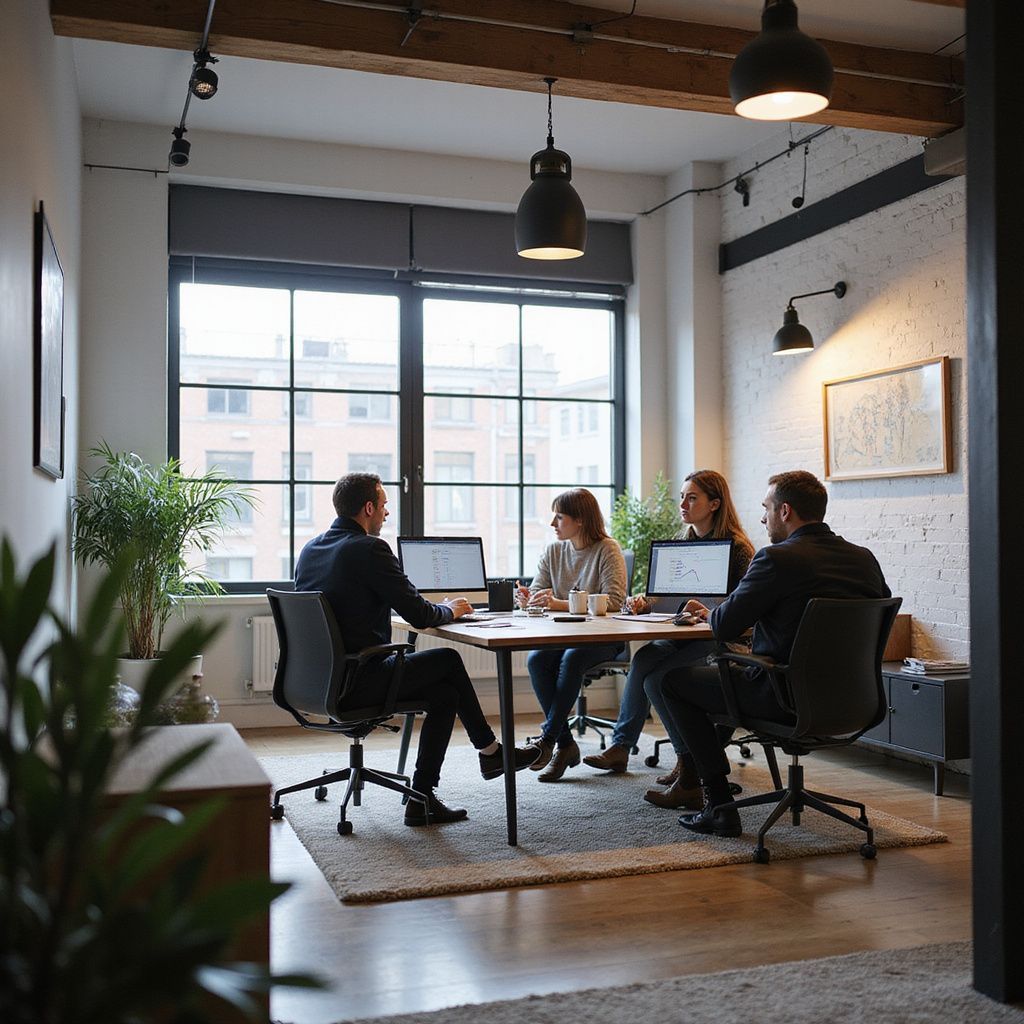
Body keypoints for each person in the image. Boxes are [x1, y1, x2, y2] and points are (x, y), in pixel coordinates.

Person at [294, 472, 538, 827]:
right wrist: (452, 609)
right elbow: (420, 614)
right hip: (358, 680)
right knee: (448, 659)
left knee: (444, 694)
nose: (386, 514)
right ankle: (489, 752)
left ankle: (424, 797)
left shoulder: (311, 549)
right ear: (367, 508)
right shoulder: (369, 549)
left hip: (319, 682)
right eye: (384, 506)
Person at [657, 470, 890, 839]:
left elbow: (724, 626)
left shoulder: (777, 559)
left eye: (766, 508)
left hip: (781, 696)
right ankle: (704, 788)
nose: (763, 518)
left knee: (671, 680)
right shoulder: (864, 559)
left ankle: (717, 803)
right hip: (853, 699)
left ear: (785, 511)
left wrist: (712, 611)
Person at [580, 470, 755, 807]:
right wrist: (646, 602)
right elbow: (666, 598)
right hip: (684, 635)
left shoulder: (738, 549)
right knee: (644, 658)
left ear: (715, 504)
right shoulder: (682, 541)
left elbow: (740, 609)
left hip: (720, 640)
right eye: (682, 496)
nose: (683, 504)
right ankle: (621, 747)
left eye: (692, 497)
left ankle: (689, 762)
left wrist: (708, 609)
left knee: (659, 678)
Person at [517, 488, 628, 782]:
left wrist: (560, 604)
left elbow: (615, 602)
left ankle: (548, 740)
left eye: (560, 517)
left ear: (580, 520)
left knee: (573, 657)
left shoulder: (607, 549)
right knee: (536, 660)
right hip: (563, 635)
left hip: (604, 638)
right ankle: (564, 744)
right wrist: (529, 599)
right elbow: (542, 592)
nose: (553, 523)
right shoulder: (554, 551)